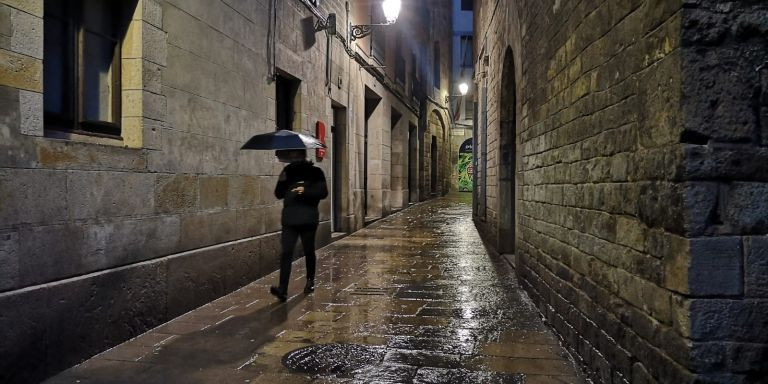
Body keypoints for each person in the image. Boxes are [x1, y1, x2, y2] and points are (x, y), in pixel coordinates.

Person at [270, 149, 328, 302]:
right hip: (290, 219)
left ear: (303, 156)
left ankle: (310, 280)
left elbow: (323, 192)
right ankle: (282, 288)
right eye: (292, 155)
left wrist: (305, 190)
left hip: (308, 218)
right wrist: (282, 180)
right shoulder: (287, 172)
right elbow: (278, 193)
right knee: (286, 252)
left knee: (308, 250)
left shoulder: (316, 172)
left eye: (296, 155)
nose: (293, 157)